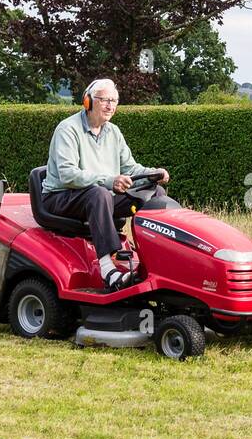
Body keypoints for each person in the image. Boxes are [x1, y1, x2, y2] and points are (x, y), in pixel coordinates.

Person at [40, 78, 176, 291]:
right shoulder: (67, 129)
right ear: (88, 102)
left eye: (114, 100)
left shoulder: (113, 132)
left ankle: (161, 259)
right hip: (61, 197)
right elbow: (68, 175)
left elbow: (130, 167)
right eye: (104, 100)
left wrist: (152, 173)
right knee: (99, 194)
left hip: (99, 196)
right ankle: (107, 270)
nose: (110, 105)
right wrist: (109, 181)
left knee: (154, 192)